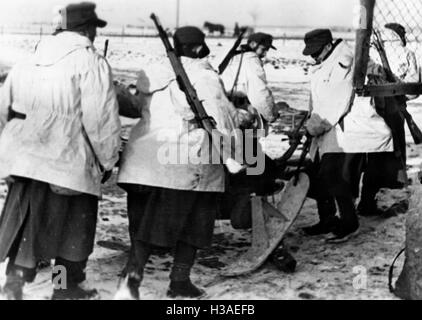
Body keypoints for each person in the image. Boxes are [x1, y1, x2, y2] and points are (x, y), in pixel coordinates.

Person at [0, 2, 121, 300]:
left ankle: (13, 283)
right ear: (84, 29)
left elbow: (4, 109)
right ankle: (63, 286)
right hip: (68, 161)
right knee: (70, 235)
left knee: (27, 227)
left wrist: (8, 154)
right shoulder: (91, 62)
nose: (95, 33)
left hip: (25, 159)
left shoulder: (29, 59)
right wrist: (107, 160)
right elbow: (101, 119)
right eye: (94, 27)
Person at [115, 26, 239, 300]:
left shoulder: (151, 74)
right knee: (194, 225)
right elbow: (224, 120)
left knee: (145, 230)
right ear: (198, 48)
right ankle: (179, 282)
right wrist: (243, 119)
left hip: (144, 163)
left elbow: (135, 108)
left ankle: (130, 283)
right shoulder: (204, 76)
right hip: (187, 162)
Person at [301, 29, 395, 243]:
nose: (313, 57)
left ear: (327, 46)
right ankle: (327, 219)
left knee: (334, 177)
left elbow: (333, 104)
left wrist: (312, 127)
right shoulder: (327, 62)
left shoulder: (342, 62)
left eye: (316, 52)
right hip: (329, 130)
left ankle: (349, 223)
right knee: (319, 174)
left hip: (343, 130)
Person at [218, 32, 285, 229]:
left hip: (225, 119)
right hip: (243, 120)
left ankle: (240, 205)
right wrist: (272, 114)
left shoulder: (230, 58)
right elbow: (260, 93)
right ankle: (248, 211)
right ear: (254, 45)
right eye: (263, 48)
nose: (264, 53)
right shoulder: (251, 61)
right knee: (259, 164)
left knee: (236, 164)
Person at [356, 22, 420, 217]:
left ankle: (366, 200)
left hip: (372, 111)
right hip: (394, 113)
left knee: (373, 156)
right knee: (392, 157)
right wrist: (401, 98)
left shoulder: (371, 52)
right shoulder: (406, 53)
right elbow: (414, 86)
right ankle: (374, 198)